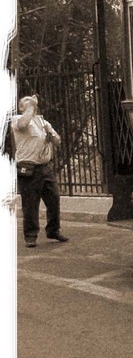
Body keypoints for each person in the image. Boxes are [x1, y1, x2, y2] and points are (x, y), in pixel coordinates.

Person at [11, 94, 69, 248]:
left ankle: (53, 230)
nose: (32, 106)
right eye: (27, 104)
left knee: (54, 199)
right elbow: (24, 123)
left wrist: (53, 138)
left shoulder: (44, 122)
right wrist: (30, 105)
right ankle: (30, 235)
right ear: (22, 108)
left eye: (33, 104)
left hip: (45, 167)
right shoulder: (17, 120)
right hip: (29, 168)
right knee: (30, 203)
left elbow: (58, 141)